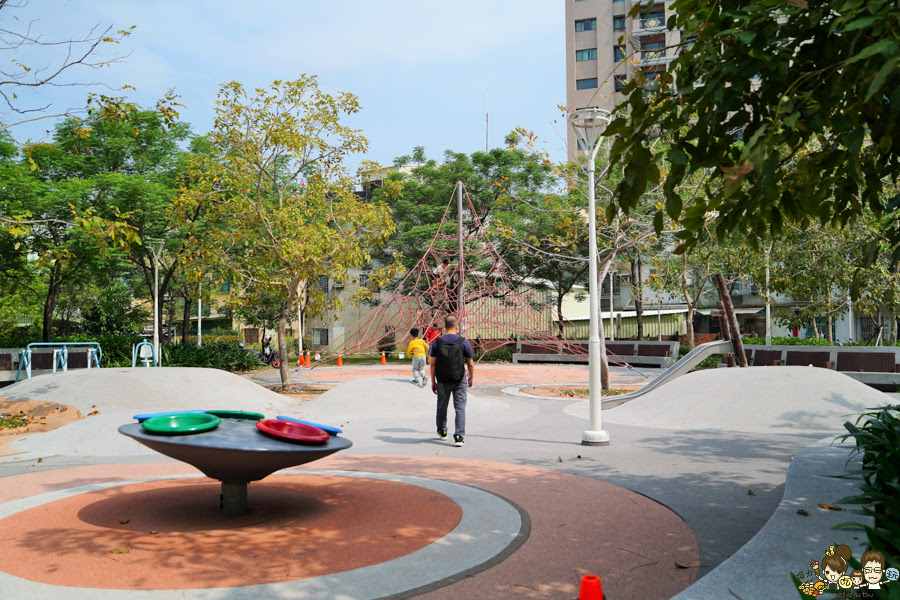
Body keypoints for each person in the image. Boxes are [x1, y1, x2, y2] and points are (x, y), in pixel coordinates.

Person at [429, 315, 474, 447]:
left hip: (442, 380)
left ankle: (442, 431)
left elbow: (432, 363)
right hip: (460, 379)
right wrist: (471, 377)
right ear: (456, 326)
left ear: (444, 327)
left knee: (442, 406)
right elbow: (470, 363)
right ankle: (459, 436)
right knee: (460, 408)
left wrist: (433, 381)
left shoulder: (437, 342)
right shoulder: (463, 342)